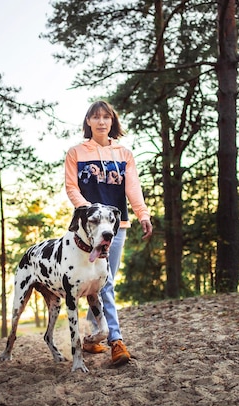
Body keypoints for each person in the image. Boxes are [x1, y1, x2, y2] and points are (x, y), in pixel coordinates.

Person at [64, 100, 153, 366]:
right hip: (88, 228)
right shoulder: (76, 153)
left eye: (106, 117)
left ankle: (93, 338)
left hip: (117, 227)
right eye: (96, 117)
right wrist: (90, 211)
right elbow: (72, 188)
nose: (101, 121)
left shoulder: (123, 154)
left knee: (103, 282)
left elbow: (133, 187)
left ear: (112, 121)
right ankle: (116, 340)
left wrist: (143, 214)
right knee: (106, 282)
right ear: (88, 122)